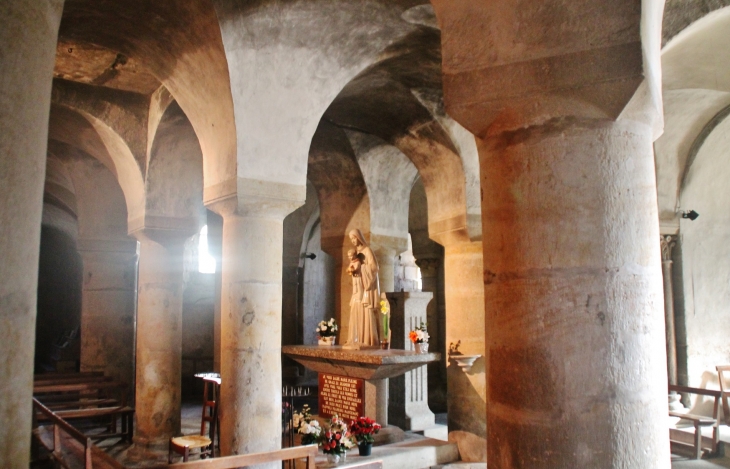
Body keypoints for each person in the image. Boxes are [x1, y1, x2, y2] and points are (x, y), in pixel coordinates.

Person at [345, 229, 379, 346]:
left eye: (354, 238)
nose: (353, 241)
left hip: (366, 288)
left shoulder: (367, 250)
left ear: (359, 237)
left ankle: (367, 340)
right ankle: (356, 338)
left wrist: (362, 268)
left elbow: (374, 268)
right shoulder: (356, 253)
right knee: (355, 308)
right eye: (351, 239)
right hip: (358, 287)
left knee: (365, 311)